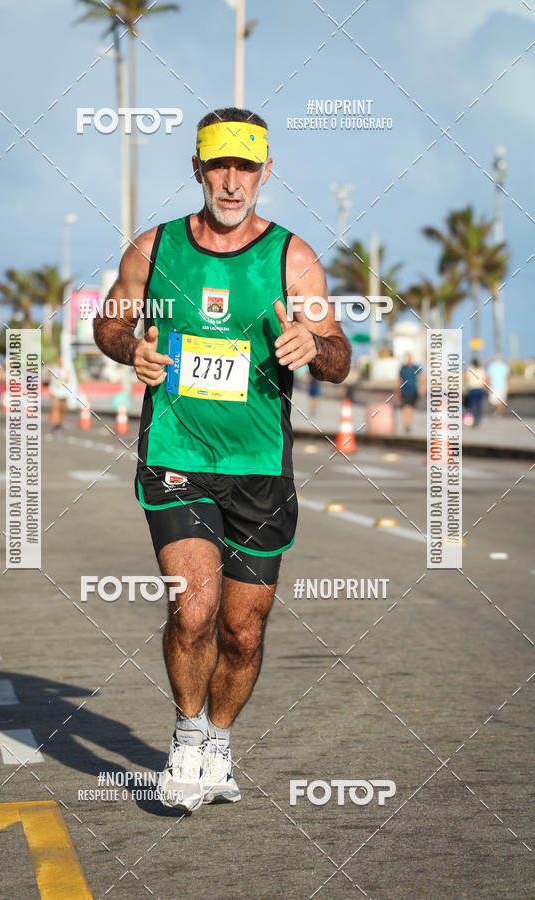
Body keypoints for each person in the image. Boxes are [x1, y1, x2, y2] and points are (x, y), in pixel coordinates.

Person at [94, 107, 351, 812]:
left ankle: (219, 740)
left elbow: (339, 358)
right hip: (176, 452)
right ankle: (186, 738)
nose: (232, 182)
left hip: (259, 466)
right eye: (218, 166)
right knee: (194, 608)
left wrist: (314, 347)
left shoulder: (292, 258)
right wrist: (132, 348)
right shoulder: (155, 248)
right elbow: (110, 323)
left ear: (266, 171)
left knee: (243, 630)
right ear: (198, 169)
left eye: (246, 167)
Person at [398, 353, 421, 433]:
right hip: (404, 390)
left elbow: (421, 377)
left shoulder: (416, 368)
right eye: (408, 358)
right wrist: (397, 389)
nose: (409, 360)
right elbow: (400, 379)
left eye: (410, 358)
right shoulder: (403, 368)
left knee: (410, 408)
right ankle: (407, 424)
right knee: (406, 407)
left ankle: (409, 424)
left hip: (413, 390)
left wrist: (422, 388)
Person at [48, 353, 71, 433]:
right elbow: (50, 379)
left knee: (62, 408)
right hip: (55, 391)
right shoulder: (54, 368)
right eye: (59, 359)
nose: (60, 361)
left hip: (63, 392)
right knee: (56, 407)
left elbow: (68, 380)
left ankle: (60, 423)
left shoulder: (66, 369)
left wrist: (62, 378)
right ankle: (56, 424)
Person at [464, 358, 488, 426]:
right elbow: (485, 380)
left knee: (472, 405)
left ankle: (473, 419)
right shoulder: (482, 370)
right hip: (480, 389)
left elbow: (466, 380)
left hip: (472, 389)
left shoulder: (469, 369)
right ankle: (478, 419)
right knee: (479, 405)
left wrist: (465, 389)